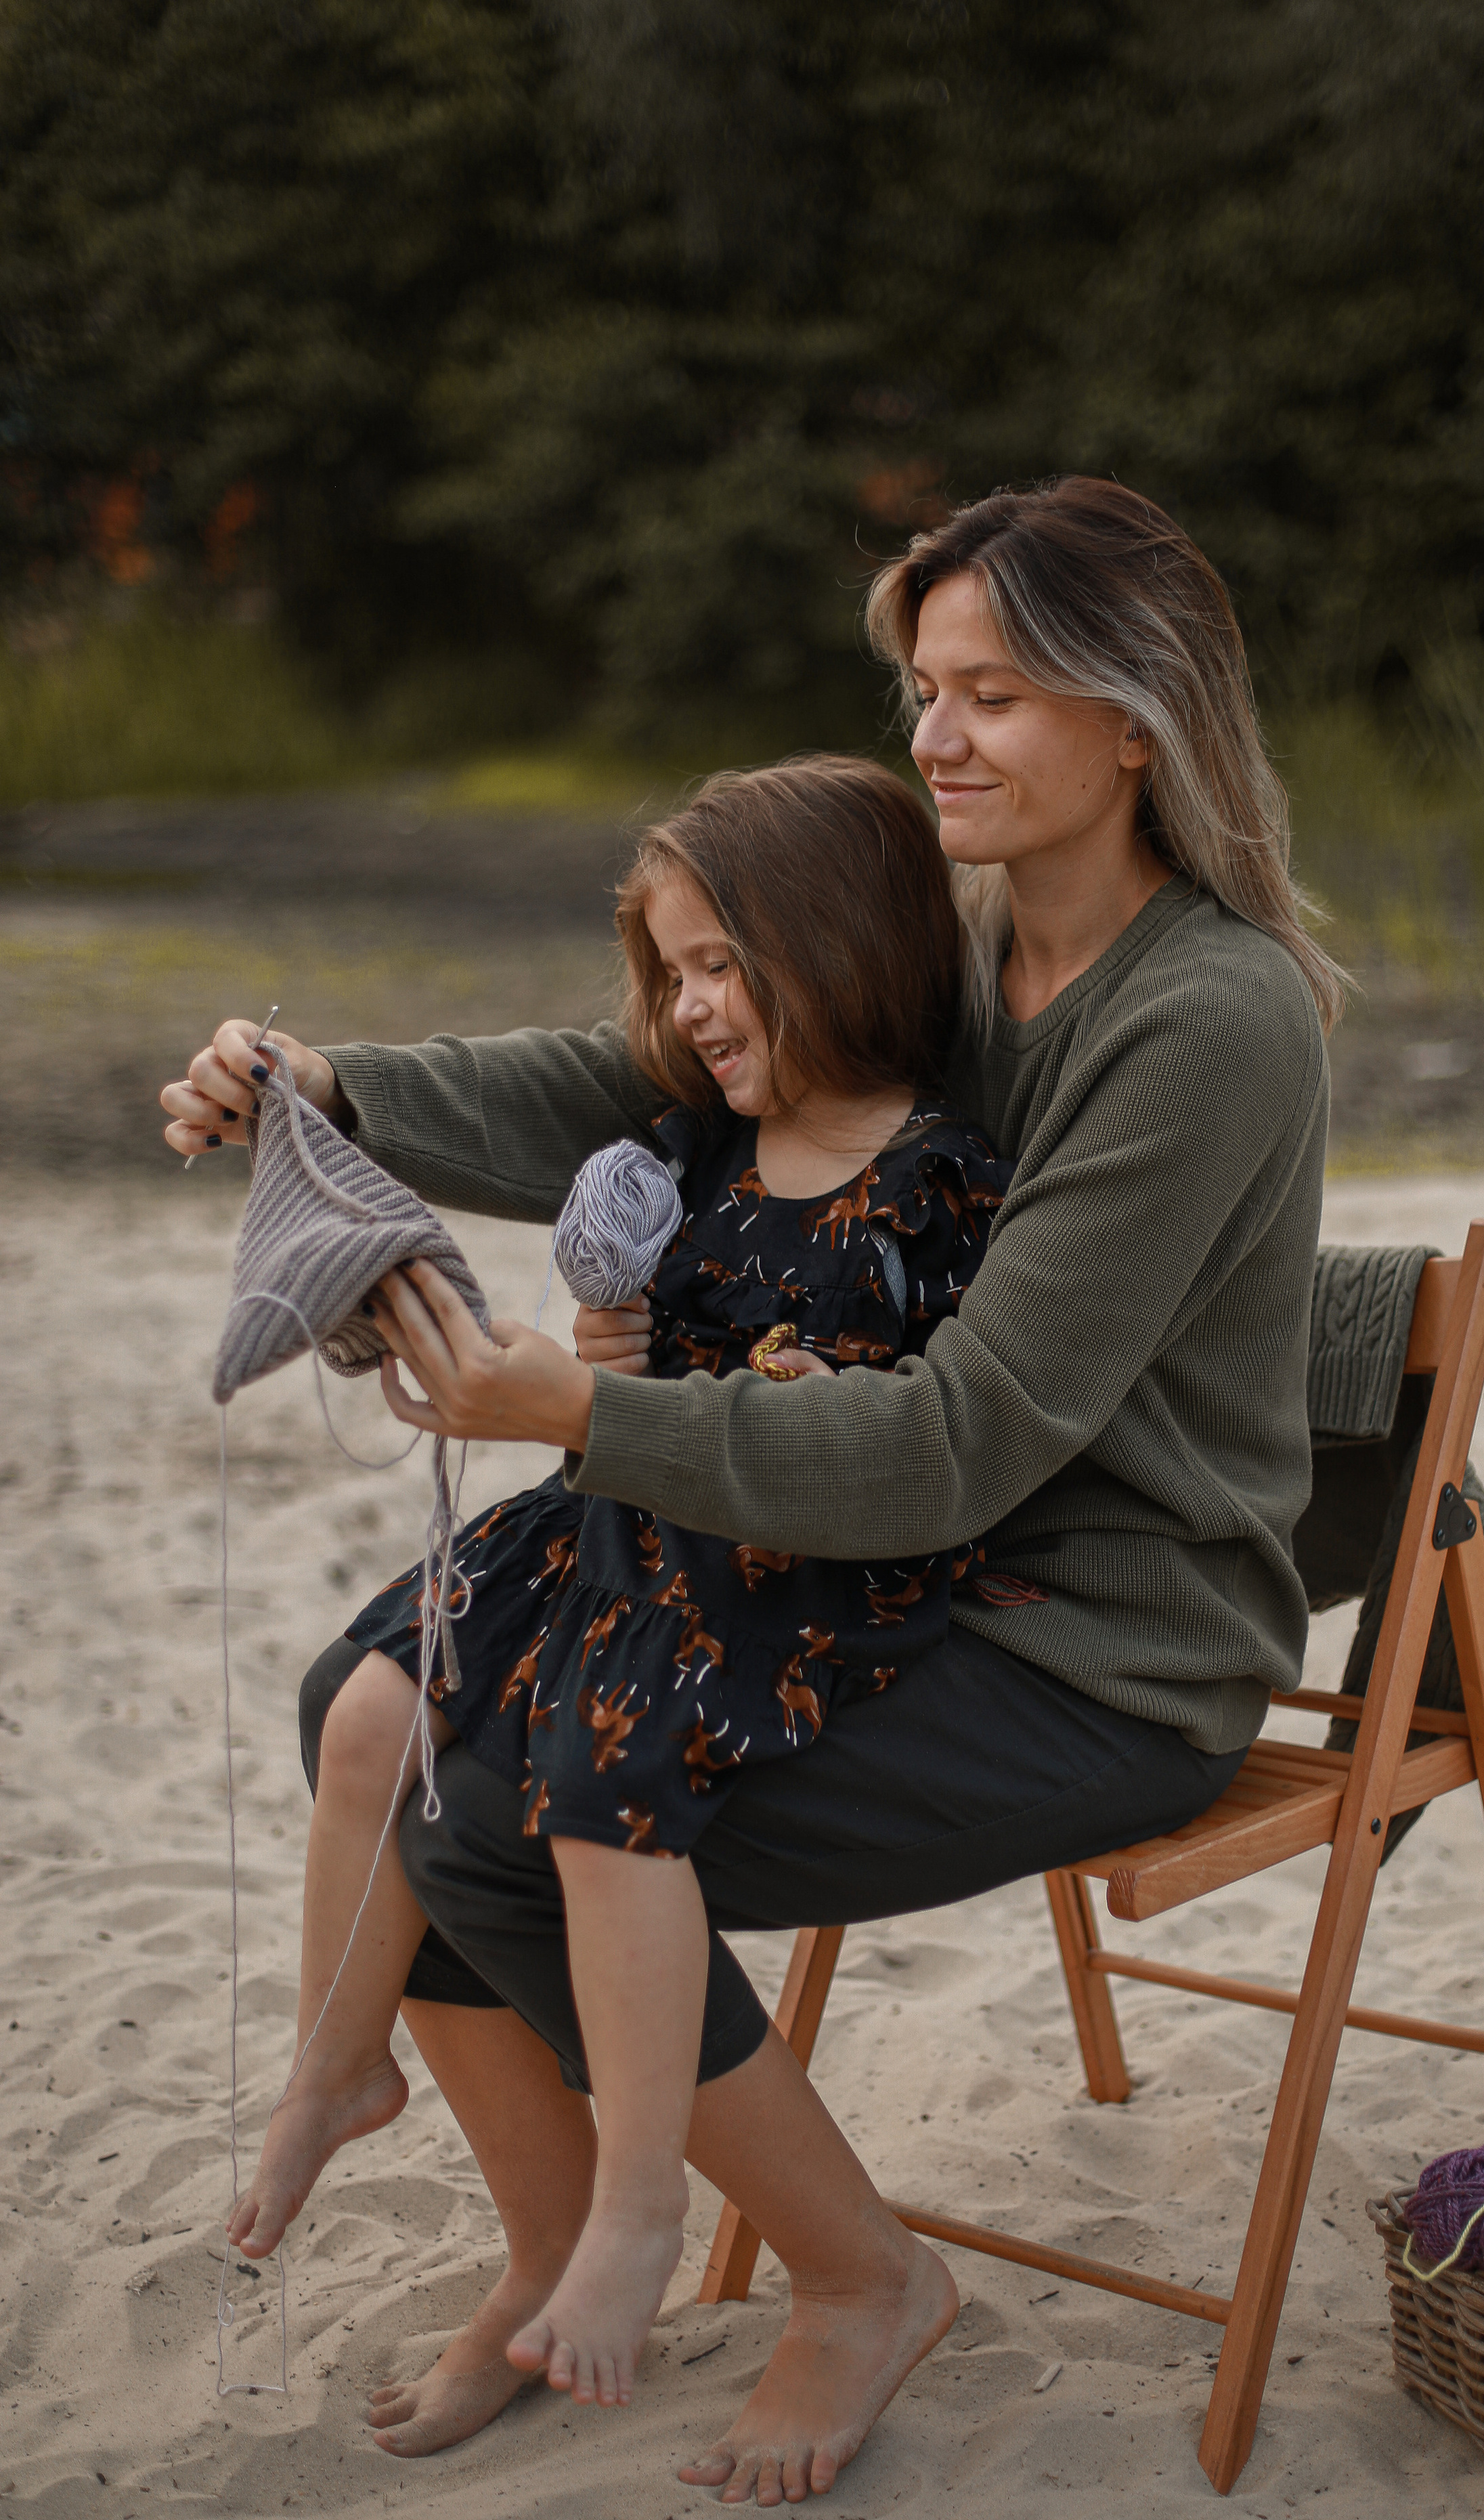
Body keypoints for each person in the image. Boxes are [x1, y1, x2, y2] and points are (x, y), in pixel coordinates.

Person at [162, 475, 1346, 2504]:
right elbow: (654, 1075)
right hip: (865, 1572)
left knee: (513, 1809)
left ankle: (859, 2278)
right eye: (923, 690)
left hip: (1094, 1648)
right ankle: (553, 2249)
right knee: (368, 1714)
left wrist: (578, 1413)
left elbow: (965, 1433)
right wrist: (340, 1087)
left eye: (994, 693)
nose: (939, 738)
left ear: (1135, 720)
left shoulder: (1207, 1018)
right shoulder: (967, 951)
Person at [209, 757, 1011, 2416]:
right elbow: (638, 1339)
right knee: (373, 1704)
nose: (692, 1005)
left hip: (792, 1569)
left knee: (591, 1779)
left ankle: (641, 2191)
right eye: (673, 969)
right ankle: (335, 2068)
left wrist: (672, 1404)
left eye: (725, 963)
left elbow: (909, 1430)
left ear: (846, 940)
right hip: (637, 1513)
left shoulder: (942, 1177)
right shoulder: (688, 1144)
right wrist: (585, 1350)